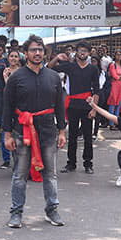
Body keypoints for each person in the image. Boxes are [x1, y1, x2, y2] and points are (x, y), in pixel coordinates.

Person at [3, 35, 66, 228]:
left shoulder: (54, 77)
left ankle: (52, 210)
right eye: (33, 50)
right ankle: (16, 213)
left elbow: (59, 105)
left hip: (48, 131)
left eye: (40, 49)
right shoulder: (16, 77)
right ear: (25, 52)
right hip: (23, 132)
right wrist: (7, 134)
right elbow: (7, 106)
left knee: (50, 174)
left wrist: (62, 131)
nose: (37, 53)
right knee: (20, 174)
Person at [49, 41, 100, 174]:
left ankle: (88, 163)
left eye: (85, 51)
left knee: (88, 136)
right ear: (76, 52)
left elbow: (97, 89)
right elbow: (49, 68)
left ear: (89, 53)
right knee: (72, 135)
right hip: (73, 105)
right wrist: (57, 57)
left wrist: (94, 108)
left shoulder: (93, 69)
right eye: (80, 50)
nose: (82, 53)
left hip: (88, 105)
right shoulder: (70, 67)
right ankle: (71, 163)